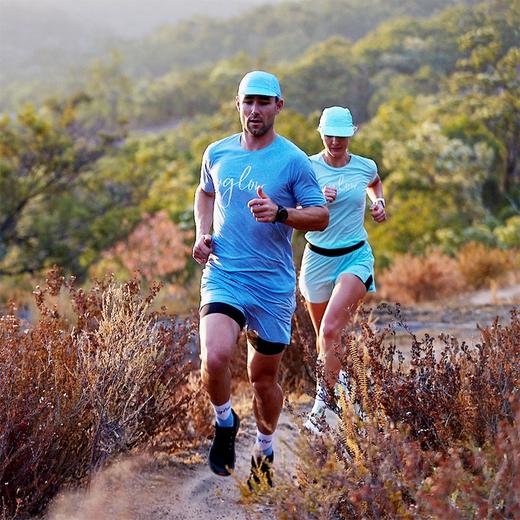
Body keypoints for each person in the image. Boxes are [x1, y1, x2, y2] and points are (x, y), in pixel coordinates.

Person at [192, 70, 329, 487]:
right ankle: (225, 421)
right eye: (247, 102)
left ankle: (265, 445)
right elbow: (205, 192)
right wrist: (202, 233)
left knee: (262, 379)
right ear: (237, 104)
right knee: (214, 357)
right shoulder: (216, 152)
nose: (254, 110)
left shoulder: (293, 161)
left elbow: (320, 216)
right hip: (225, 274)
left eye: (263, 102)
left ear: (278, 107)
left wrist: (282, 213)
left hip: (271, 285)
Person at [298, 106, 386, 432]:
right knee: (327, 339)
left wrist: (379, 203)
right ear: (320, 133)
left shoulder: (365, 166)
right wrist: (316, 200)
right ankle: (351, 393)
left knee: (332, 330)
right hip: (316, 258)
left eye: (342, 135)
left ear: (351, 134)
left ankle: (322, 408)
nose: (335, 141)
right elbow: (291, 208)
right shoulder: (306, 167)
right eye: (329, 135)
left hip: (355, 256)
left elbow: (374, 183)